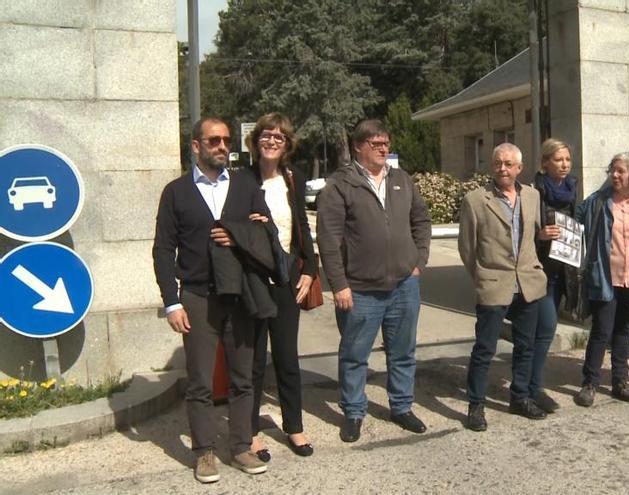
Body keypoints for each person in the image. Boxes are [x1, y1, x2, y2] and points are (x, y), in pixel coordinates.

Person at [152, 117, 269, 483]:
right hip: (197, 296)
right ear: (196, 146)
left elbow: (267, 231)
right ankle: (204, 451)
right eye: (214, 140)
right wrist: (172, 302)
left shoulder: (246, 185)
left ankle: (239, 446)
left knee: (243, 377)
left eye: (226, 140)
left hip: (240, 295)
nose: (222, 146)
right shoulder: (176, 192)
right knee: (201, 380)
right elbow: (162, 249)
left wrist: (239, 235)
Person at [317, 119, 432, 443]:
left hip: (403, 286)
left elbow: (421, 220)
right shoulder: (340, 185)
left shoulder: (401, 179)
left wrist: (418, 260)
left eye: (386, 143)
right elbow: (329, 239)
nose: (384, 149)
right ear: (358, 146)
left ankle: (401, 407)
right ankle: (354, 412)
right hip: (361, 290)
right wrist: (339, 284)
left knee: (403, 351)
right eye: (376, 143)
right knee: (354, 355)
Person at [458, 143, 548, 432]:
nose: (503, 169)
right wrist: (483, 275)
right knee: (485, 348)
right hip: (494, 284)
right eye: (498, 163)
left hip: (527, 284)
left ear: (519, 168)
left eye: (509, 164)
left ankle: (519, 397)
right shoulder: (475, 200)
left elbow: (533, 236)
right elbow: (467, 248)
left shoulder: (532, 196)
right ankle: (476, 405)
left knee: (526, 346)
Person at [245, 113, 317, 460]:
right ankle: (250, 431)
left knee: (287, 357)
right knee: (255, 360)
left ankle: (294, 427)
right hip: (253, 280)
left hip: (287, 277)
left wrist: (310, 269)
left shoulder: (293, 178)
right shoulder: (241, 179)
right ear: (255, 141)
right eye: (266, 135)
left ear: (287, 144)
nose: (272, 140)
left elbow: (301, 225)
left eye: (279, 137)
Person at [572, 152, 629, 407]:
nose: (615, 175)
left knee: (623, 330)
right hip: (604, 275)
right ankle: (589, 383)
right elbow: (574, 218)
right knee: (601, 330)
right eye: (612, 170)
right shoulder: (599, 201)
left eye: (620, 171)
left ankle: (620, 382)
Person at [531, 138, 580, 413]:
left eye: (567, 160)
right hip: (541, 272)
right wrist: (539, 236)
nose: (564, 165)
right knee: (546, 328)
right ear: (545, 162)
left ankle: (529, 381)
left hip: (565, 269)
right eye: (558, 160)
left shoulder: (572, 189)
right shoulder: (534, 191)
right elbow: (520, 231)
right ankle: (534, 387)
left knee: (543, 331)